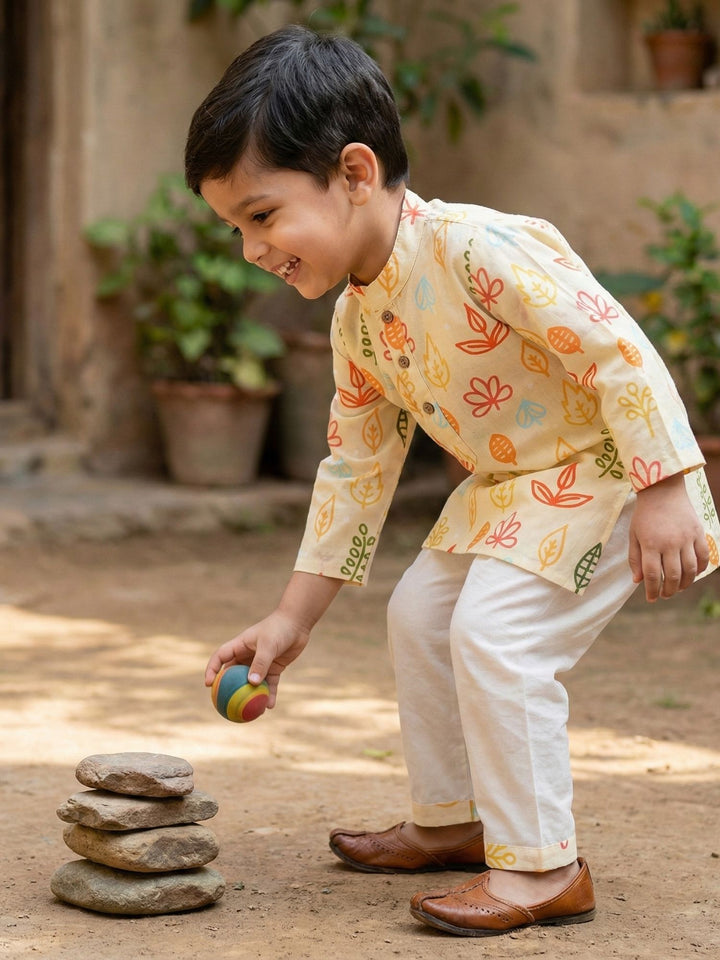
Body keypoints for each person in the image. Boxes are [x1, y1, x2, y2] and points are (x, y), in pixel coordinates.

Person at [185, 25, 720, 937]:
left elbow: (616, 347)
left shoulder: (476, 249)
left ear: (356, 173)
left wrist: (666, 484)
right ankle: (454, 820)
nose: (251, 249)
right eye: (236, 228)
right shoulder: (358, 320)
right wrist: (290, 619)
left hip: (606, 474)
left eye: (263, 216)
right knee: (419, 617)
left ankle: (543, 866)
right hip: (509, 493)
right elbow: (355, 471)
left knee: (497, 638)